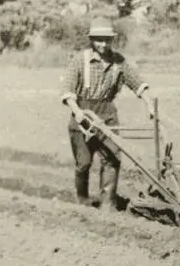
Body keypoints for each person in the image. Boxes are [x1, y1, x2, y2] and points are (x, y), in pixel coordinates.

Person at [60, 17, 155, 211]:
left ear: (112, 40)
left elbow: (137, 82)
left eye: (107, 40)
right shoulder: (80, 61)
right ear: (92, 40)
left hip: (108, 113)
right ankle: (83, 199)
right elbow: (68, 91)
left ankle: (108, 203)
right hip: (83, 114)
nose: (103, 44)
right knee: (84, 163)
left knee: (112, 159)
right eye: (99, 39)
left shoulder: (119, 62)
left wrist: (149, 103)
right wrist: (77, 112)